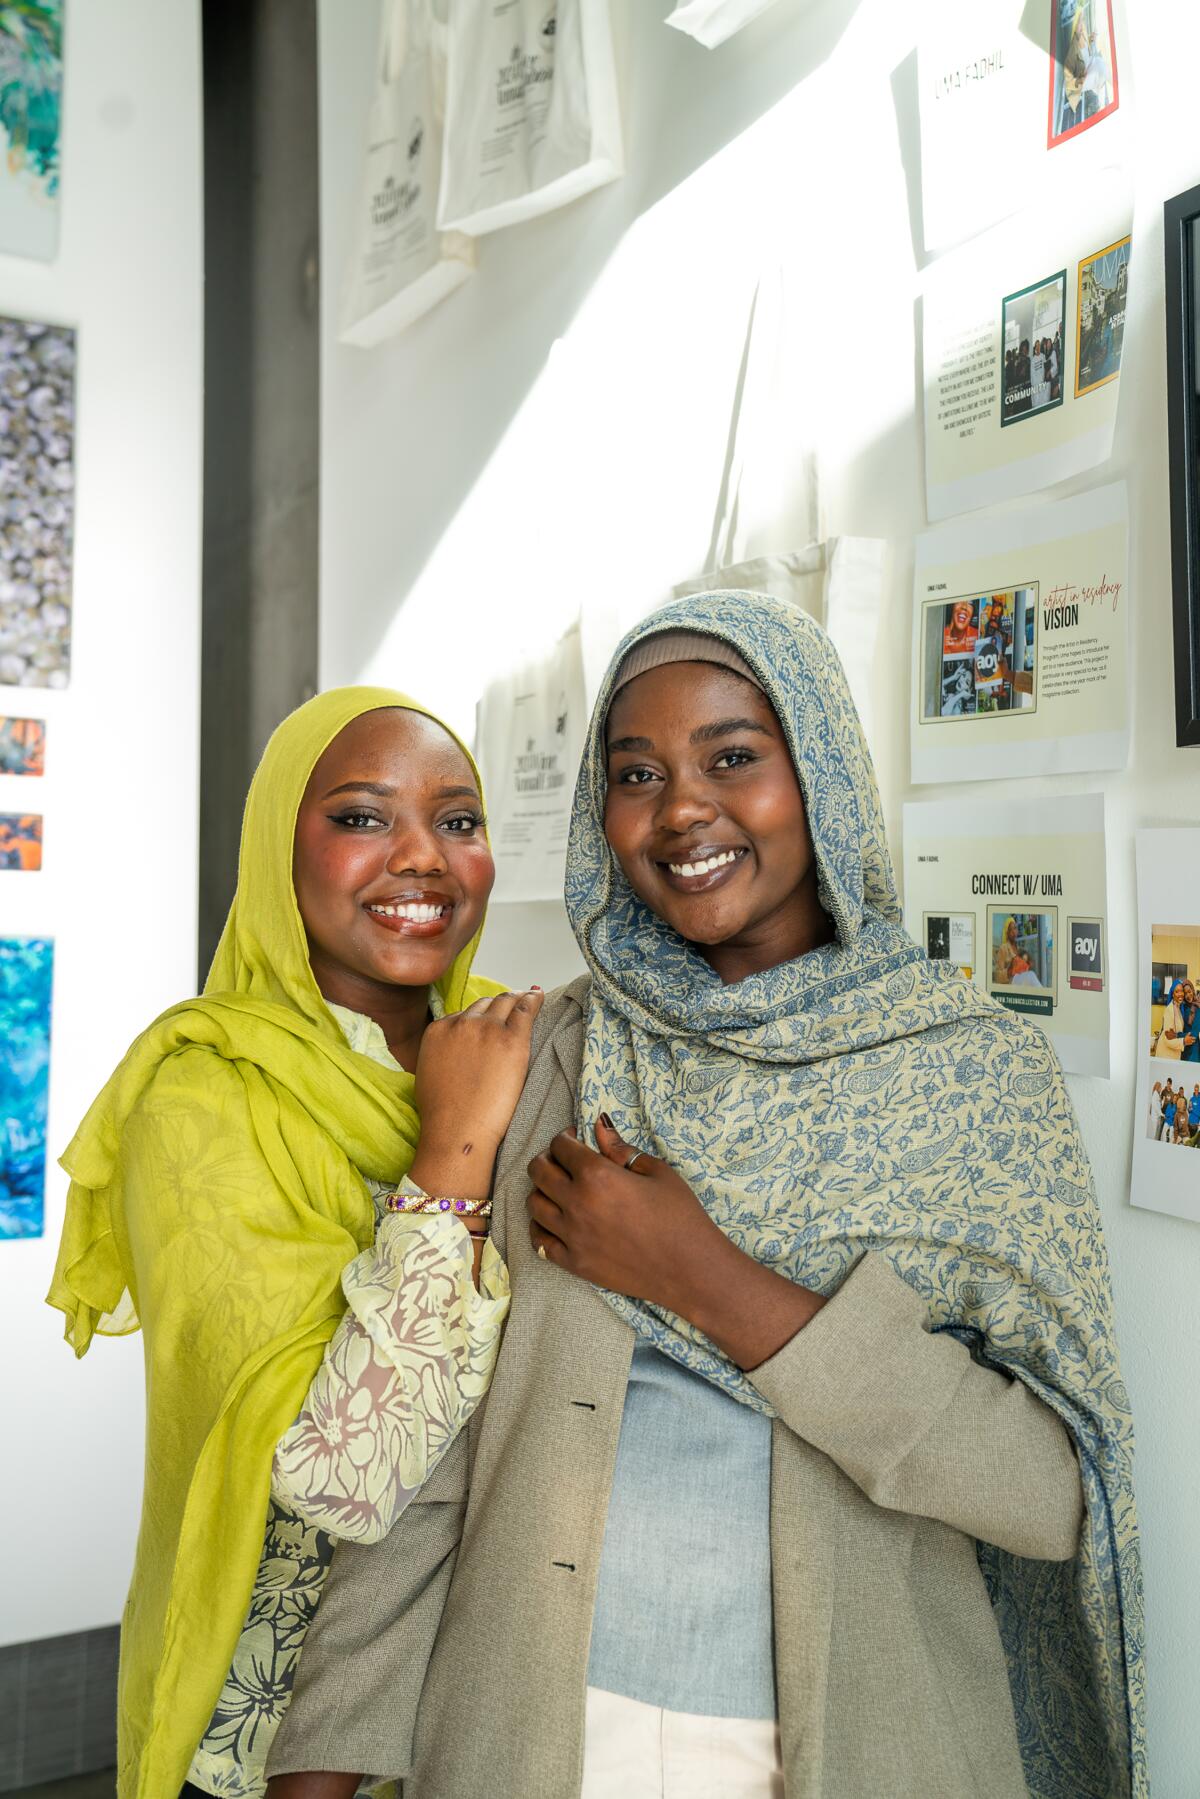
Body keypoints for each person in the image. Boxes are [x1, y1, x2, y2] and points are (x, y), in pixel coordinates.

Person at [267, 594, 1142, 1799]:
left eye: (733, 755)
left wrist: (710, 1282)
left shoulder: (973, 1075)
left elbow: (1049, 1494)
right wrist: (322, 1755)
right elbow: (442, 1448)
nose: (682, 808)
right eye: (636, 773)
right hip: (530, 1734)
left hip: (859, 1742)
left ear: (820, 769)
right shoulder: (559, 1052)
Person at [46, 687, 545, 1799]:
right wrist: (456, 1154)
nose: (422, 857)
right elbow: (341, 1475)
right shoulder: (200, 1093)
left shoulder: (531, 1046)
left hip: (500, 1675)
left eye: (458, 820)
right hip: (277, 1715)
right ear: (280, 845)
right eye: (365, 817)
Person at [1155, 979, 1188, 1057]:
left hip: (1173, 1053)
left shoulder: (1178, 1008)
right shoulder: (1170, 1010)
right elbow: (1168, 1039)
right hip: (1166, 1054)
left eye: (1182, 991)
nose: (1180, 994)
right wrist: (1183, 1041)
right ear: (1172, 994)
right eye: (1177, 991)